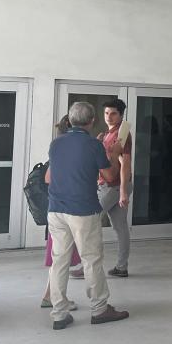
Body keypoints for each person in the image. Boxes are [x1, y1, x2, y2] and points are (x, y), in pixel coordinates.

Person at [46, 101, 130, 330]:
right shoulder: (93, 145)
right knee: (91, 259)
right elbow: (111, 174)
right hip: (82, 210)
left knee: (59, 261)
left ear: (71, 120)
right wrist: (113, 153)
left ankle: (59, 314)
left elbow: (50, 177)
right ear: (92, 121)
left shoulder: (56, 144)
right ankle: (100, 309)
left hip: (55, 210)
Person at [40, 115, 83, 309]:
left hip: (56, 209)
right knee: (61, 258)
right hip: (67, 210)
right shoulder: (69, 152)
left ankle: (49, 295)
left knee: (59, 256)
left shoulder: (57, 149)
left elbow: (49, 178)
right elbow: (49, 177)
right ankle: (54, 297)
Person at [97, 99, 133, 278]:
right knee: (120, 227)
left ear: (121, 115)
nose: (109, 117)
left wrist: (124, 191)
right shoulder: (106, 134)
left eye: (113, 113)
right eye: (106, 113)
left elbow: (126, 163)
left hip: (114, 186)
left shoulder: (122, 133)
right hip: (109, 184)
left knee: (89, 220)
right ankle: (121, 267)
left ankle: (85, 264)